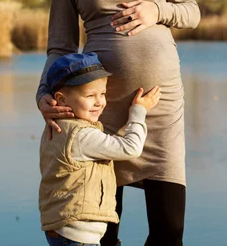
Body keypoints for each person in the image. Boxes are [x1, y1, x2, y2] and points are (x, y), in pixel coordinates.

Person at [36, 0, 200, 246]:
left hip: (160, 107)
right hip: (100, 111)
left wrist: (156, 11)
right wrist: (43, 93)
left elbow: (190, 12)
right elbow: (59, 47)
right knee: (105, 232)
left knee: (169, 232)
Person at [39, 52, 161, 246]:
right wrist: (139, 111)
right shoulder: (82, 135)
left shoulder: (57, 126)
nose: (99, 102)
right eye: (90, 96)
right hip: (78, 236)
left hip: (62, 228)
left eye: (102, 94)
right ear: (61, 100)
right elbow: (130, 148)